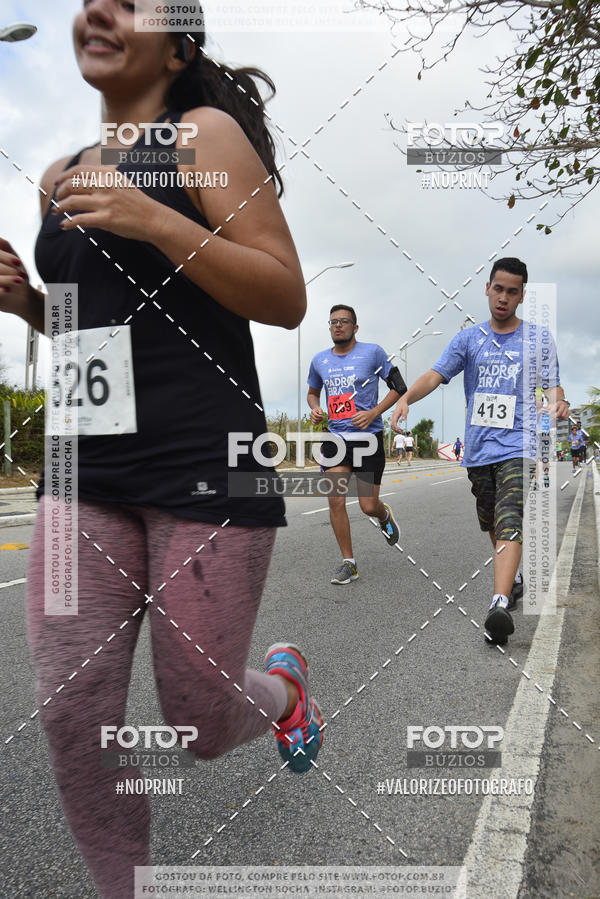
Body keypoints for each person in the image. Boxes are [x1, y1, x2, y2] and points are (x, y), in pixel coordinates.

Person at [0, 2, 322, 895]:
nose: (96, 9)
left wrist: (160, 221)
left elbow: (285, 292)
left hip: (207, 461)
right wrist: (29, 303)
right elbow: (83, 328)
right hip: (81, 471)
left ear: (177, 45)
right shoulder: (57, 175)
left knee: (197, 719)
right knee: (73, 714)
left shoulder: (202, 135)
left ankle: (287, 694)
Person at [391, 258, 570, 646]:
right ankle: (515, 579)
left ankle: (498, 605)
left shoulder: (538, 340)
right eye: (498, 289)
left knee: (509, 516)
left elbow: (553, 387)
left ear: (523, 295)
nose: (504, 297)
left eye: (513, 291)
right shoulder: (468, 340)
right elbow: (435, 376)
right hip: (479, 451)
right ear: (487, 288)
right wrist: (406, 398)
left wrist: (558, 404)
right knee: (492, 519)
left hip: (518, 446)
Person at [307, 304, 404, 584]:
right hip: (336, 439)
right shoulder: (319, 360)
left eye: (344, 321)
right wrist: (314, 408)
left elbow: (399, 386)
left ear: (355, 327)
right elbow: (313, 393)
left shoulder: (373, 352)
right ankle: (349, 563)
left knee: (367, 506)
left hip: (368, 439)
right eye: (333, 321)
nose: (338, 326)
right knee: (335, 500)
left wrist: (374, 412)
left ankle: (383, 514)